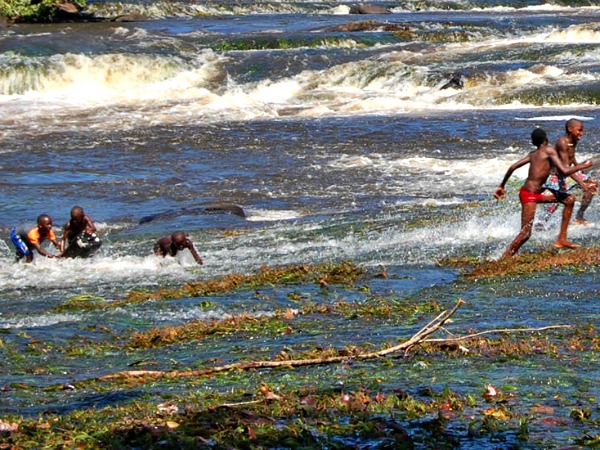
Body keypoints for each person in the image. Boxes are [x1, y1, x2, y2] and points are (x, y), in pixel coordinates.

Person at [494, 128, 593, 258]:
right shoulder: (549, 151)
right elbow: (564, 170)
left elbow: (512, 167)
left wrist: (502, 185)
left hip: (536, 193)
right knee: (526, 233)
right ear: (546, 140)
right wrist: (583, 166)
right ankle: (505, 257)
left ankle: (561, 239)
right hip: (529, 195)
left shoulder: (533, 154)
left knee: (569, 200)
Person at [544, 119, 597, 225]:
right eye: (579, 130)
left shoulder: (574, 140)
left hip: (567, 171)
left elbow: (571, 157)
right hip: (557, 175)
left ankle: (579, 216)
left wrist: (579, 168)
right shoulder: (562, 142)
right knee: (555, 203)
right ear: (570, 129)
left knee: (592, 184)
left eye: (582, 131)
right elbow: (565, 168)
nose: (581, 133)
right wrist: (581, 183)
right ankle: (541, 223)